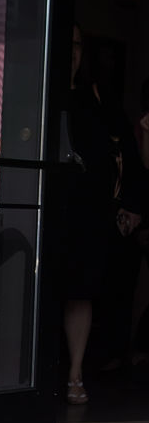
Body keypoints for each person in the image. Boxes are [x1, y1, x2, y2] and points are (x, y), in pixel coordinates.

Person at [60, 26, 142, 403]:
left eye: (77, 44)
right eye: (66, 43)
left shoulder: (95, 97)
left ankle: (75, 374)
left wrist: (131, 205)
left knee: (81, 293)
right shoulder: (36, 89)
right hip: (44, 208)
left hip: (87, 215)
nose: (71, 51)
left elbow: (129, 155)